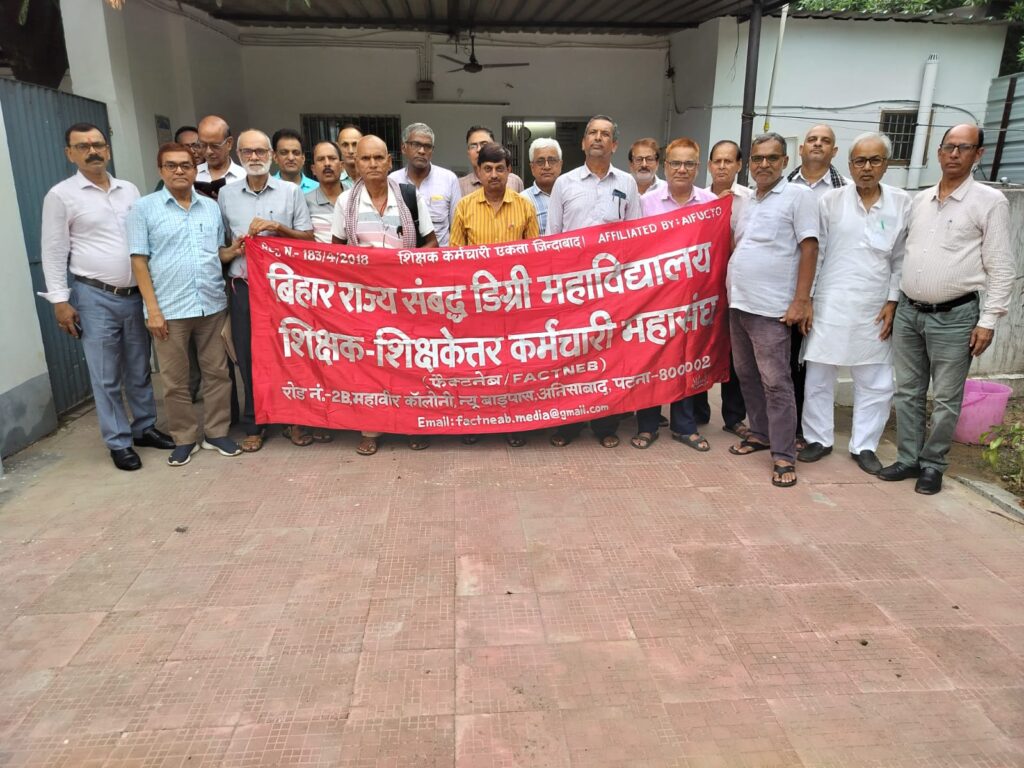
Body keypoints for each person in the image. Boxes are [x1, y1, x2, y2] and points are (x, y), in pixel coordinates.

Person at [879, 124, 1014, 494]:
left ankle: (932, 464)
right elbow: (902, 256)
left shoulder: (989, 202)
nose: (954, 154)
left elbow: (1002, 268)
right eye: (949, 147)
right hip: (909, 312)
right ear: (938, 152)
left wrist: (988, 320)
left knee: (945, 398)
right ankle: (908, 458)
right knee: (907, 391)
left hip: (955, 317)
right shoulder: (919, 200)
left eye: (964, 148)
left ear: (978, 154)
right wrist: (894, 301)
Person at [39, 122, 173, 470]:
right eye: (83, 146)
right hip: (94, 295)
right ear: (70, 153)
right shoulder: (61, 196)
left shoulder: (129, 190)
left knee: (139, 368)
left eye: (97, 144)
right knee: (106, 374)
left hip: (134, 294)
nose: (92, 151)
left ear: (108, 150)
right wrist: (60, 301)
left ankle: (144, 427)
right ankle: (118, 441)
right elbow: (53, 250)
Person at [799, 132, 911, 475]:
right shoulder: (830, 201)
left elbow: (901, 258)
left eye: (874, 160)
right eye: (860, 161)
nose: (867, 167)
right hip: (830, 299)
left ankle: (864, 445)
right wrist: (808, 299)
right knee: (819, 375)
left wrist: (893, 300)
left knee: (876, 379)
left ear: (886, 165)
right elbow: (817, 253)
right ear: (849, 165)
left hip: (874, 304)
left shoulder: (902, 203)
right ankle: (818, 438)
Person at [128, 142, 240, 466]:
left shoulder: (210, 208)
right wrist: (153, 310)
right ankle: (185, 438)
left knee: (218, 374)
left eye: (186, 165)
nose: (179, 171)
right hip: (169, 310)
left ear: (195, 170)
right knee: (176, 381)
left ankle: (216, 433)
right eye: (171, 165)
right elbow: (138, 261)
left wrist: (234, 251)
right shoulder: (143, 209)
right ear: (161, 170)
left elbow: (216, 254)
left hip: (211, 305)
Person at [331, 135, 439, 456]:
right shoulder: (346, 202)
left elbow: (431, 243)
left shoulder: (408, 196)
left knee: (408, 363)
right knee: (369, 365)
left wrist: (405, 268)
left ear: (390, 162)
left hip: (405, 300)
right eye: (366, 159)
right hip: (363, 302)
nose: (373, 164)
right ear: (356, 163)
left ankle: (412, 426)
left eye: (379, 158)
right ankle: (371, 429)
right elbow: (336, 253)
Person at [727, 132, 818, 488]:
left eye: (772, 158)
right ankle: (760, 432)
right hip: (739, 302)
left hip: (771, 308)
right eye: (757, 158)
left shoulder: (799, 196)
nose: (764, 164)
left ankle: (783, 453)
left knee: (776, 381)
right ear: (750, 163)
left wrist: (801, 300)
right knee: (746, 374)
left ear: (784, 161)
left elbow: (809, 248)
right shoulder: (748, 200)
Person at [547, 114, 642, 448]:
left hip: (612, 289)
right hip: (572, 289)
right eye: (592, 133)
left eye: (605, 134)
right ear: (583, 142)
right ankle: (569, 425)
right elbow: (553, 237)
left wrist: (628, 286)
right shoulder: (564, 183)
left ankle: (605, 425)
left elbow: (635, 237)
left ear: (614, 144)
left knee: (608, 357)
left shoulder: (628, 183)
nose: (598, 138)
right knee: (572, 356)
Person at [218, 129, 314, 452]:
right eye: (248, 152)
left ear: (271, 155)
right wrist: (233, 250)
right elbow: (221, 248)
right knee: (248, 356)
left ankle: (293, 419)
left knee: (289, 354)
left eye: (260, 151)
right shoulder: (226, 195)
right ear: (238, 156)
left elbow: (307, 239)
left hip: (283, 291)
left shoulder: (290, 192)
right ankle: (255, 422)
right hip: (244, 287)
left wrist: (277, 228)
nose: (255, 157)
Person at [450, 142, 539, 448]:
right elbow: (454, 258)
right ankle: (475, 420)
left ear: (509, 171)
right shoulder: (464, 207)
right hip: (476, 304)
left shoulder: (524, 205)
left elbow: (534, 256)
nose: (494, 175)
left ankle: (513, 423)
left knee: (512, 365)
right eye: (487, 169)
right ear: (478, 172)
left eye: (500, 168)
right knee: (477, 364)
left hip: (513, 304)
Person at [632, 138, 718, 451]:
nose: (682, 169)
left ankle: (684, 425)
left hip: (694, 299)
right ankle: (647, 425)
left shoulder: (711, 203)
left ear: (698, 167)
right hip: (654, 297)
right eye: (676, 163)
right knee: (651, 360)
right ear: (665, 166)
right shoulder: (647, 203)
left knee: (686, 360)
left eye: (689, 164)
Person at [785, 124, 849, 449]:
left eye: (825, 141)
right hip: (787, 288)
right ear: (801, 148)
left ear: (834, 151)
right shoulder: (783, 187)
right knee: (788, 360)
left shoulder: (846, 192)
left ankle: (810, 433)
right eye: (812, 139)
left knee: (816, 365)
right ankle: (788, 425)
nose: (817, 145)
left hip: (827, 289)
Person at [693, 139, 750, 439]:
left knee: (733, 351)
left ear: (739, 165)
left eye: (729, 161)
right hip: (701, 287)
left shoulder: (751, 200)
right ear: (709, 165)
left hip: (737, 286)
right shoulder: (699, 200)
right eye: (718, 161)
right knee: (699, 348)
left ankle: (734, 416)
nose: (723, 166)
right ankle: (698, 410)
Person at [389, 122, 462, 246]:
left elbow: (457, 228)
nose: (422, 151)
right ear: (403, 148)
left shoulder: (449, 179)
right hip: (404, 255)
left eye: (427, 146)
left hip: (439, 255)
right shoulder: (392, 180)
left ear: (432, 150)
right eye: (416, 144)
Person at [459, 126, 525, 197]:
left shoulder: (514, 181)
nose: (479, 149)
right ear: (468, 153)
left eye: (484, 144)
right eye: (473, 146)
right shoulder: (460, 185)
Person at [520, 138, 563, 235]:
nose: (547, 166)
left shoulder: (572, 194)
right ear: (532, 168)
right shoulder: (522, 200)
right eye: (540, 161)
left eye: (552, 160)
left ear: (560, 165)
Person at [195, 115, 244, 196]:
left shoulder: (244, 177)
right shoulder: (191, 175)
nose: (208, 151)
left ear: (229, 143)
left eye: (215, 146)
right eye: (203, 145)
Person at [305, 140, 344, 243]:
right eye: (321, 159)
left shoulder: (356, 197)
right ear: (313, 169)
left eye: (332, 158)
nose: (327, 164)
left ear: (342, 166)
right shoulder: (304, 202)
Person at [271, 128, 318, 193]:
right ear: (275, 157)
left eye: (296, 153)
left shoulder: (317, 189)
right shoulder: (266, 188)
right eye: (284, 153)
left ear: (303, 158)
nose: (291, 158)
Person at [336, 124, 362, 189]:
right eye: (345, 145)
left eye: (355, 144)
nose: (350, 151)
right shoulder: (332, 180)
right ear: (337, 147)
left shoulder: (373, 177)